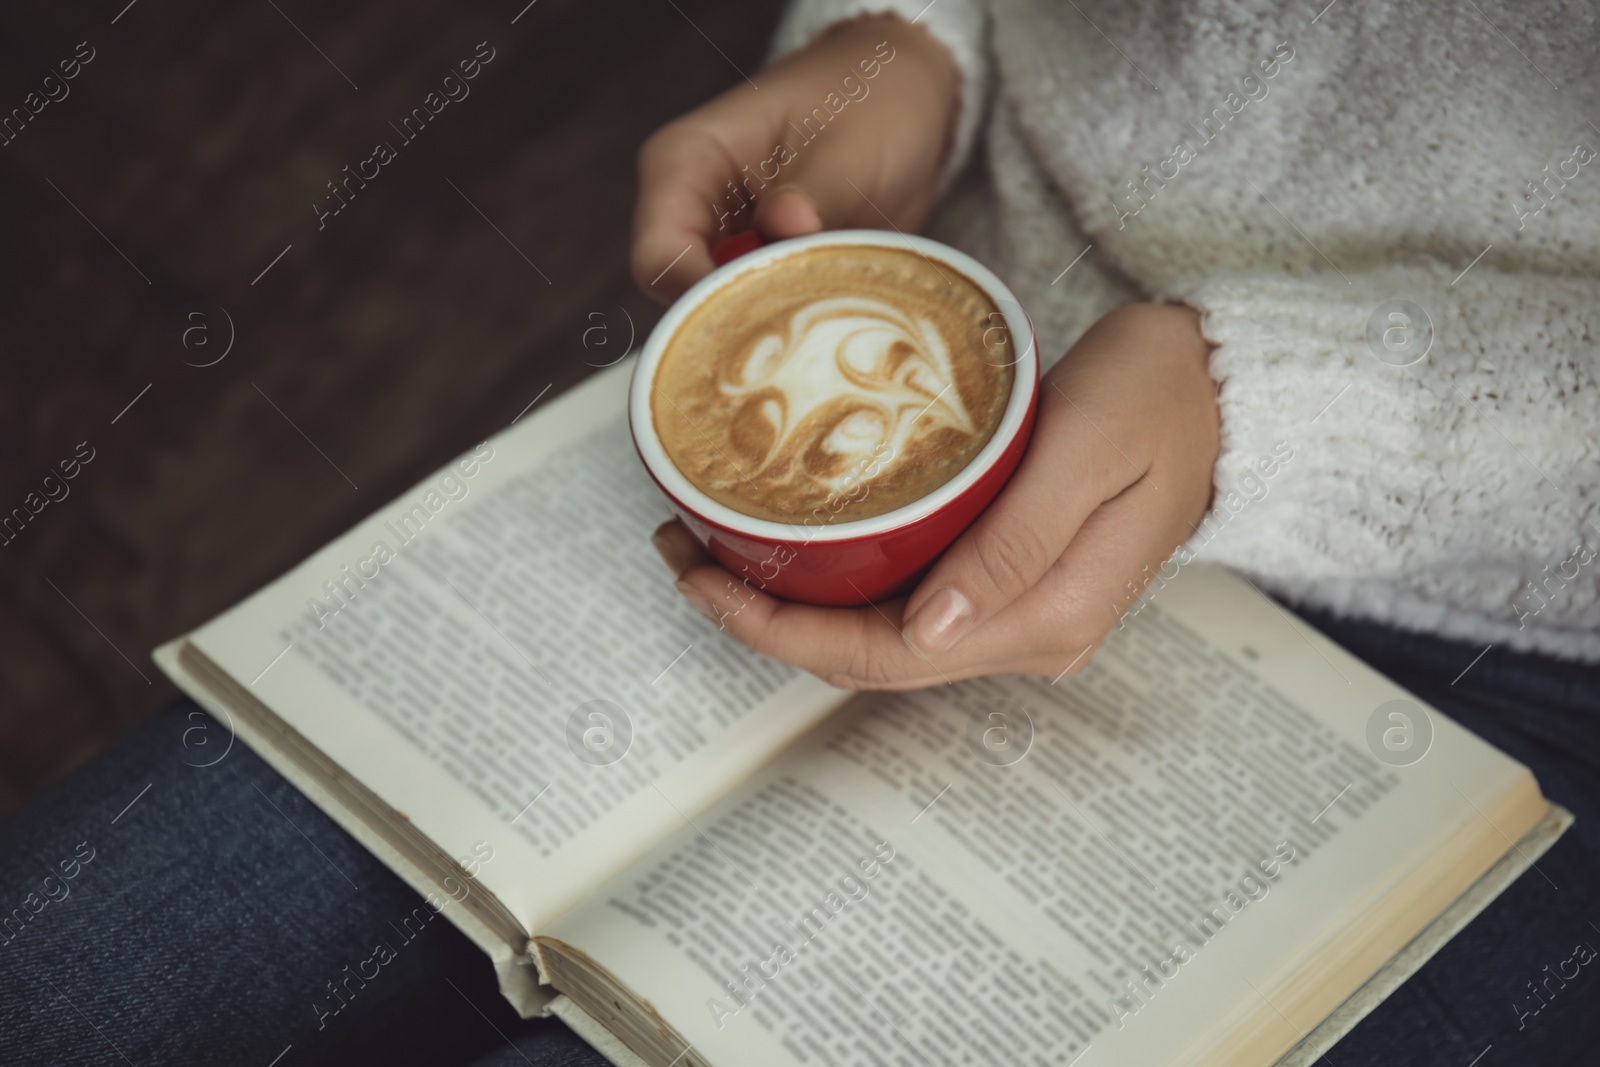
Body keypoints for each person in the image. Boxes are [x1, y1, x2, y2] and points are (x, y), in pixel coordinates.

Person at [3, 3, 1596, 1066]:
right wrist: (899, 48)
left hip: (1485, 620)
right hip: (929, 287)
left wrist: (1282, 403)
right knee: (61, 968)